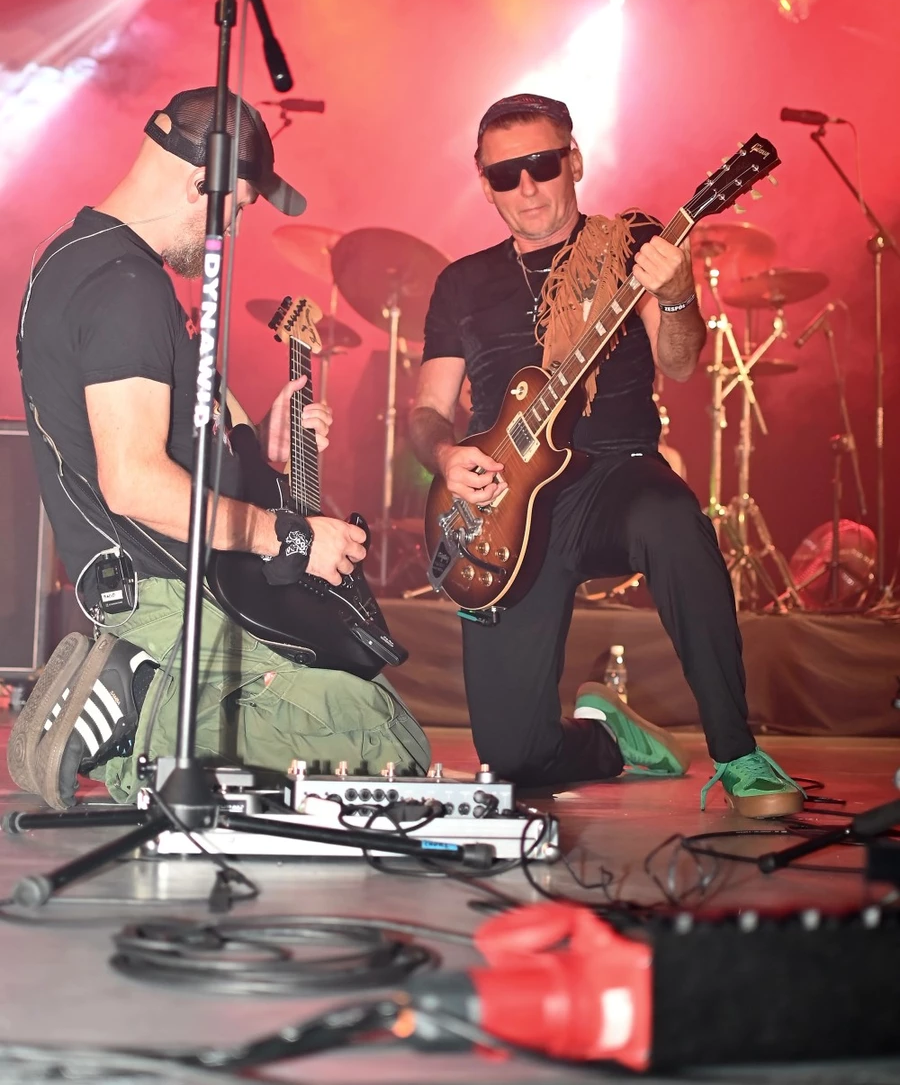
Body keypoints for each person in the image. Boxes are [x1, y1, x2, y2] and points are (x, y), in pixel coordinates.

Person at [12, 87, 428, 810]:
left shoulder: (84, 259)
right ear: (200, 181)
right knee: (380, 739)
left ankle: (141, 700)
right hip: (164, 593)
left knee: (357, 710)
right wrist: (292, 537)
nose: (232, 227)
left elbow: (173, 439)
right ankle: (141, 699)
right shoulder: (125, 286)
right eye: (236, 207)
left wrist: (258, 438)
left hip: (181, 581)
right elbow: (135, 482)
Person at [409, 93, 803, 819]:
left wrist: (677, 295)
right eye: (505, 174)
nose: (527, 186)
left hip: (615, 475)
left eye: (542, 164)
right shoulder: (461, 282)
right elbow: (428, 410)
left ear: (575, 160)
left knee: (672, 520)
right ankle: (608, 737)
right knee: (514, 762)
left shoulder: (630, 243)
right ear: (484, 182)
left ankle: (737, 752)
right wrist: (445, 454)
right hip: (506, 506)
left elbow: (679, 362)